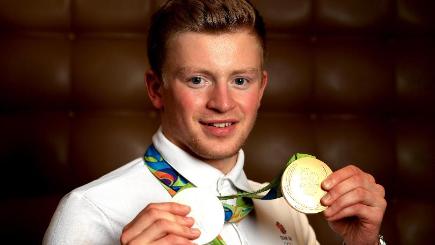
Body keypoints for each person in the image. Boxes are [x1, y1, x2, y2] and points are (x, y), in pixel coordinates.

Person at [43, 0, 387, 244]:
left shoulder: (285, 211)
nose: (222, 103)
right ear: (155, 89)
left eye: (240, 81)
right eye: (197, 80)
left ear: (261, 88)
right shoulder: (90, 212)